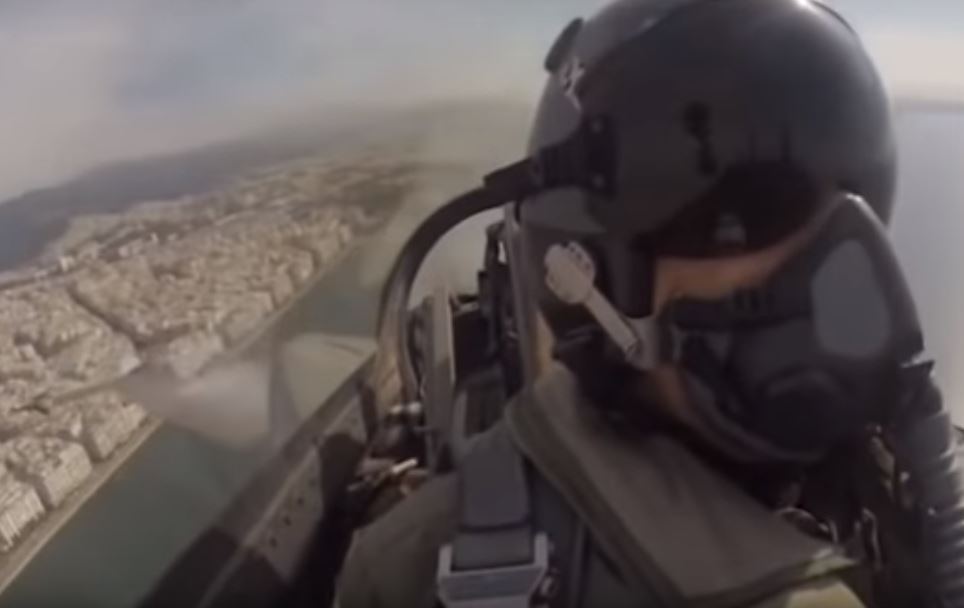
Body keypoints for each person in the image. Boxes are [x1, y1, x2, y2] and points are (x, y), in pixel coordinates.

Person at [337, 0, 964, 606]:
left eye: (857, 188)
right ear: (590, 277)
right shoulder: (413, 574)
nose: (849, 254)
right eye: (753, 208)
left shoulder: (908, 481)